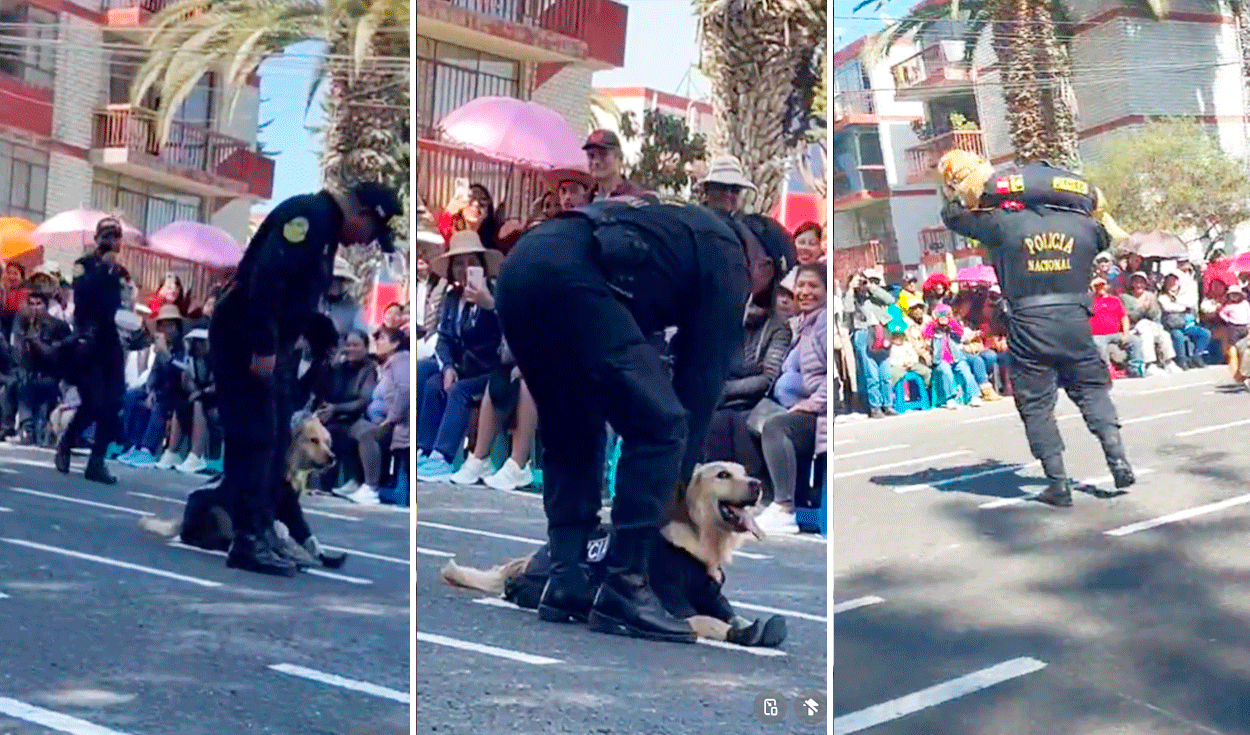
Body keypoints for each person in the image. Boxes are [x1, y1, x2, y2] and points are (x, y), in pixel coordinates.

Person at [495, 197, 751, 644]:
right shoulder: (732, 258)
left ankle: (567, 578)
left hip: (522, 267)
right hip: (573, 277)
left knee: (570, 425)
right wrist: (675, 490)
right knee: (662, 425)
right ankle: (626, 587)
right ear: (763, 260)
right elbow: (700, 384)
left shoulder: (680, 226)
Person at [210, 181, 402, 576]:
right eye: (371, 232)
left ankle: (265, 530)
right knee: (255, 436)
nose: (367, 243)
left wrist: (316, 330)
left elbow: (294, 295)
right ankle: (246, 539)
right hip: (244, 337)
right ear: (361, 213)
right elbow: (266, 280)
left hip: (271, 340)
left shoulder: (325, 229)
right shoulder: (309, 218)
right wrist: (263, 347)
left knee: (276, 437)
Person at [939, 153, 1135, 507]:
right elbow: (1105, 233)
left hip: (1029, 324)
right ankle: (1117, 458)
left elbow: (953, 216)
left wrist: (958, 187)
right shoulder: (1083, 228)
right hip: (1075, 320)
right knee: (1092, 392)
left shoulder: (1003, 223)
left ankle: (1058, 484)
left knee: (1036, 405)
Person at [55, 217, 128, 484]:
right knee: (94, 402)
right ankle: (68, 440)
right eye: (107, 236)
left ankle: (96, 462)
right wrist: (101, 271)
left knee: (114, 403)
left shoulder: (119, 273)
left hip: (111, 342)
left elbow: (117, 307)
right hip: (88, 342)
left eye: (116, 237)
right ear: (97, 239)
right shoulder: (83, 266)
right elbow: (83, 298)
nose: (113, 242)